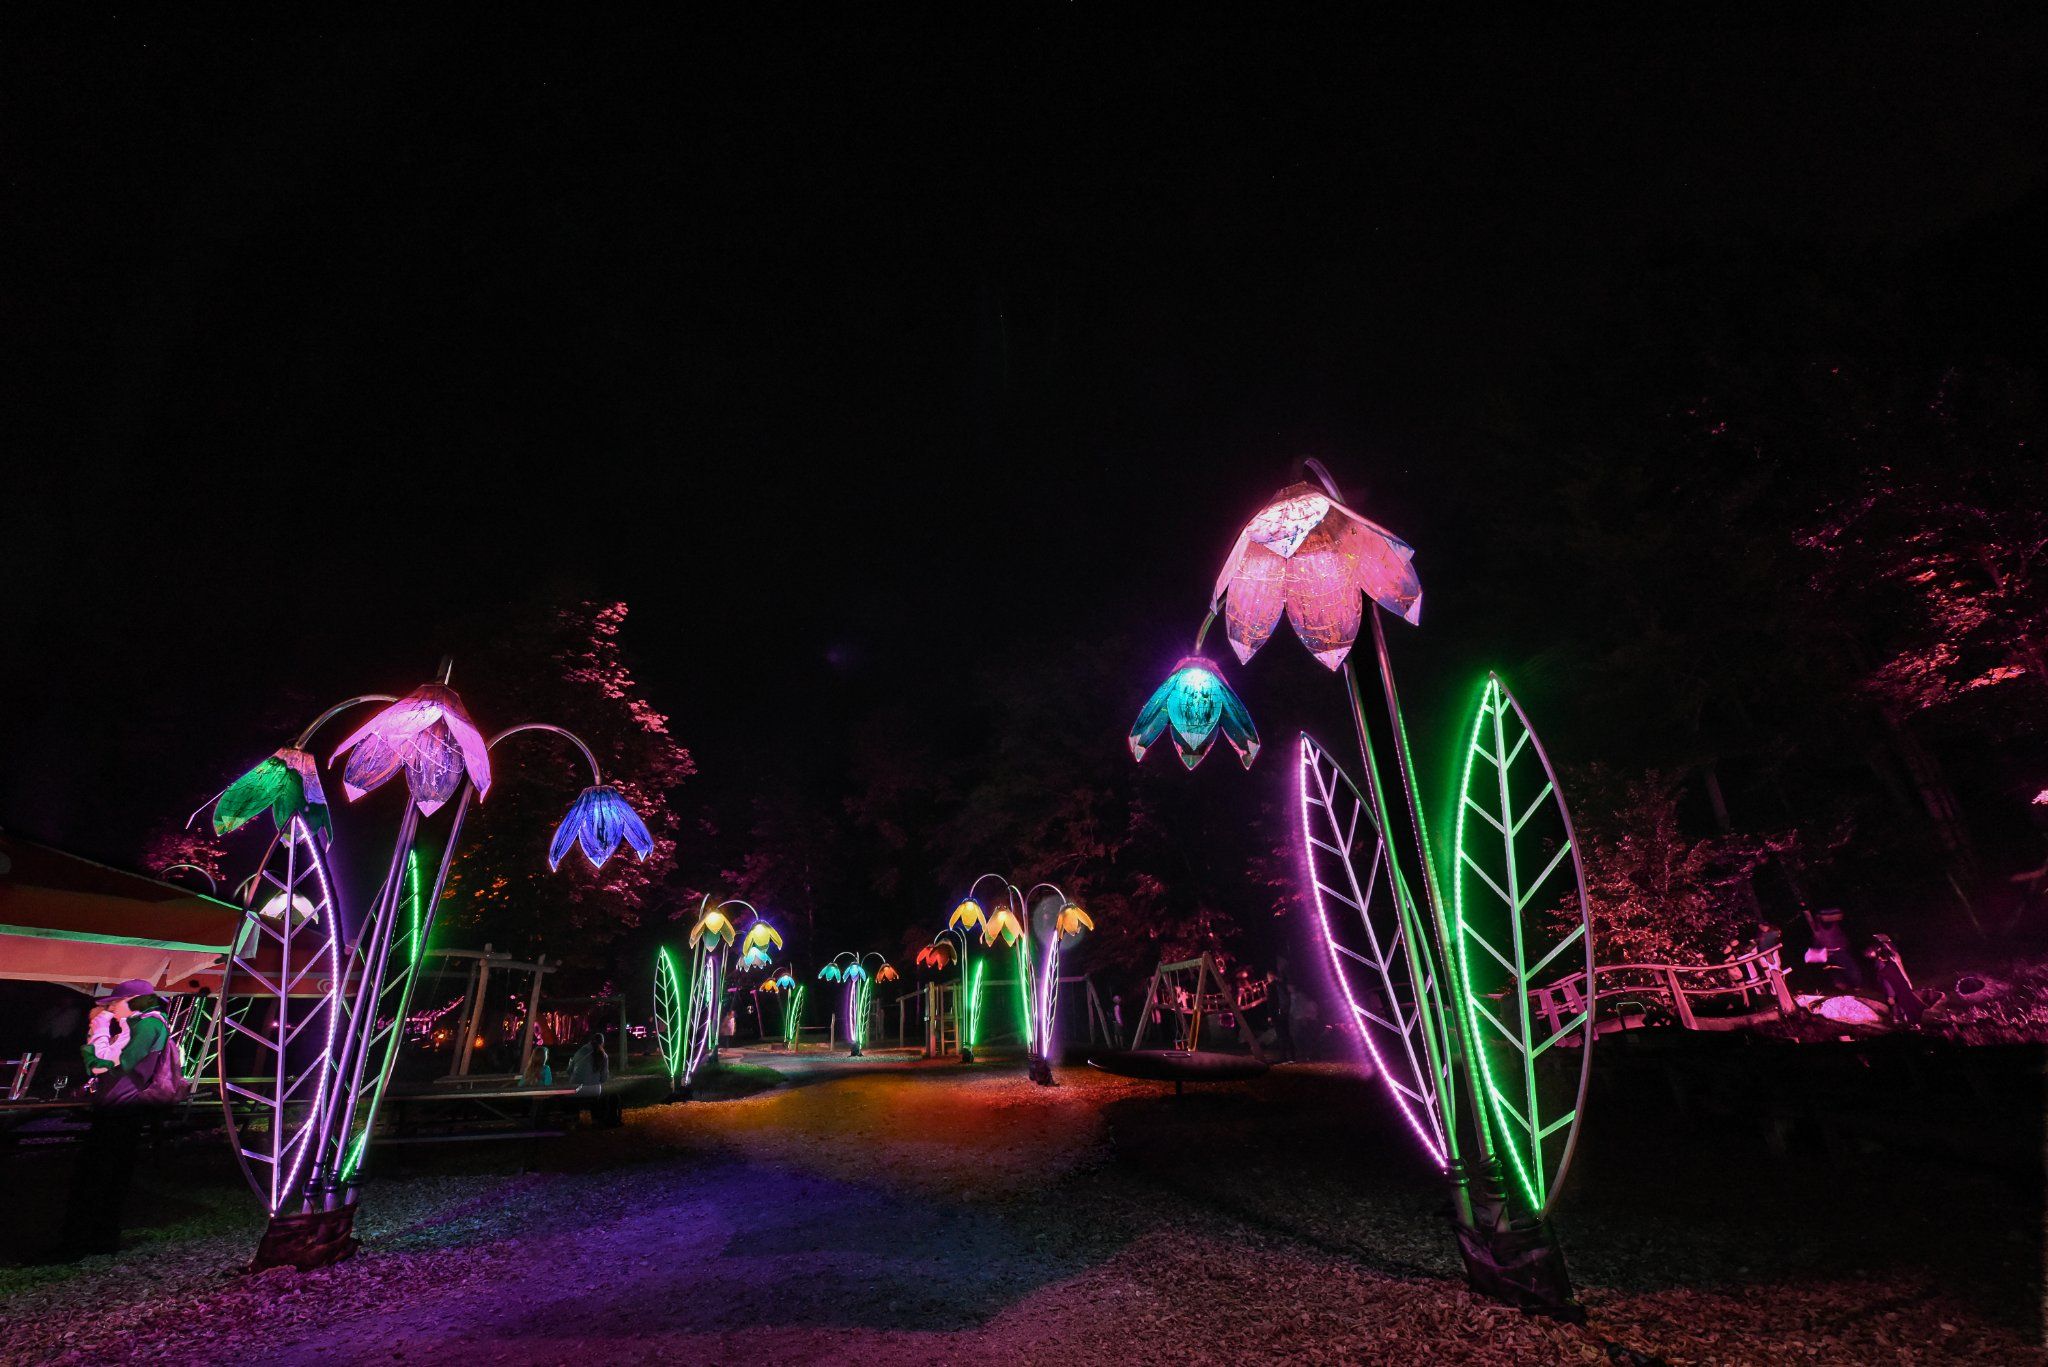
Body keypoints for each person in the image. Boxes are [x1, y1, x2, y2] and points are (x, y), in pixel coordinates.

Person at [59, 980, 184, 1259]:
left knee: (97, 1176)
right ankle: (98, 1239)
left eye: (114, 1002)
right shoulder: (140, 1026)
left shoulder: (149, 1026)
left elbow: (100, 1066)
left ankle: (79, 1243)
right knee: (108, 1176)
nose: (111, 1008)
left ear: (135, 1000)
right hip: (122, 1110)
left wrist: (100, 1028)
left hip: (120, 1111)